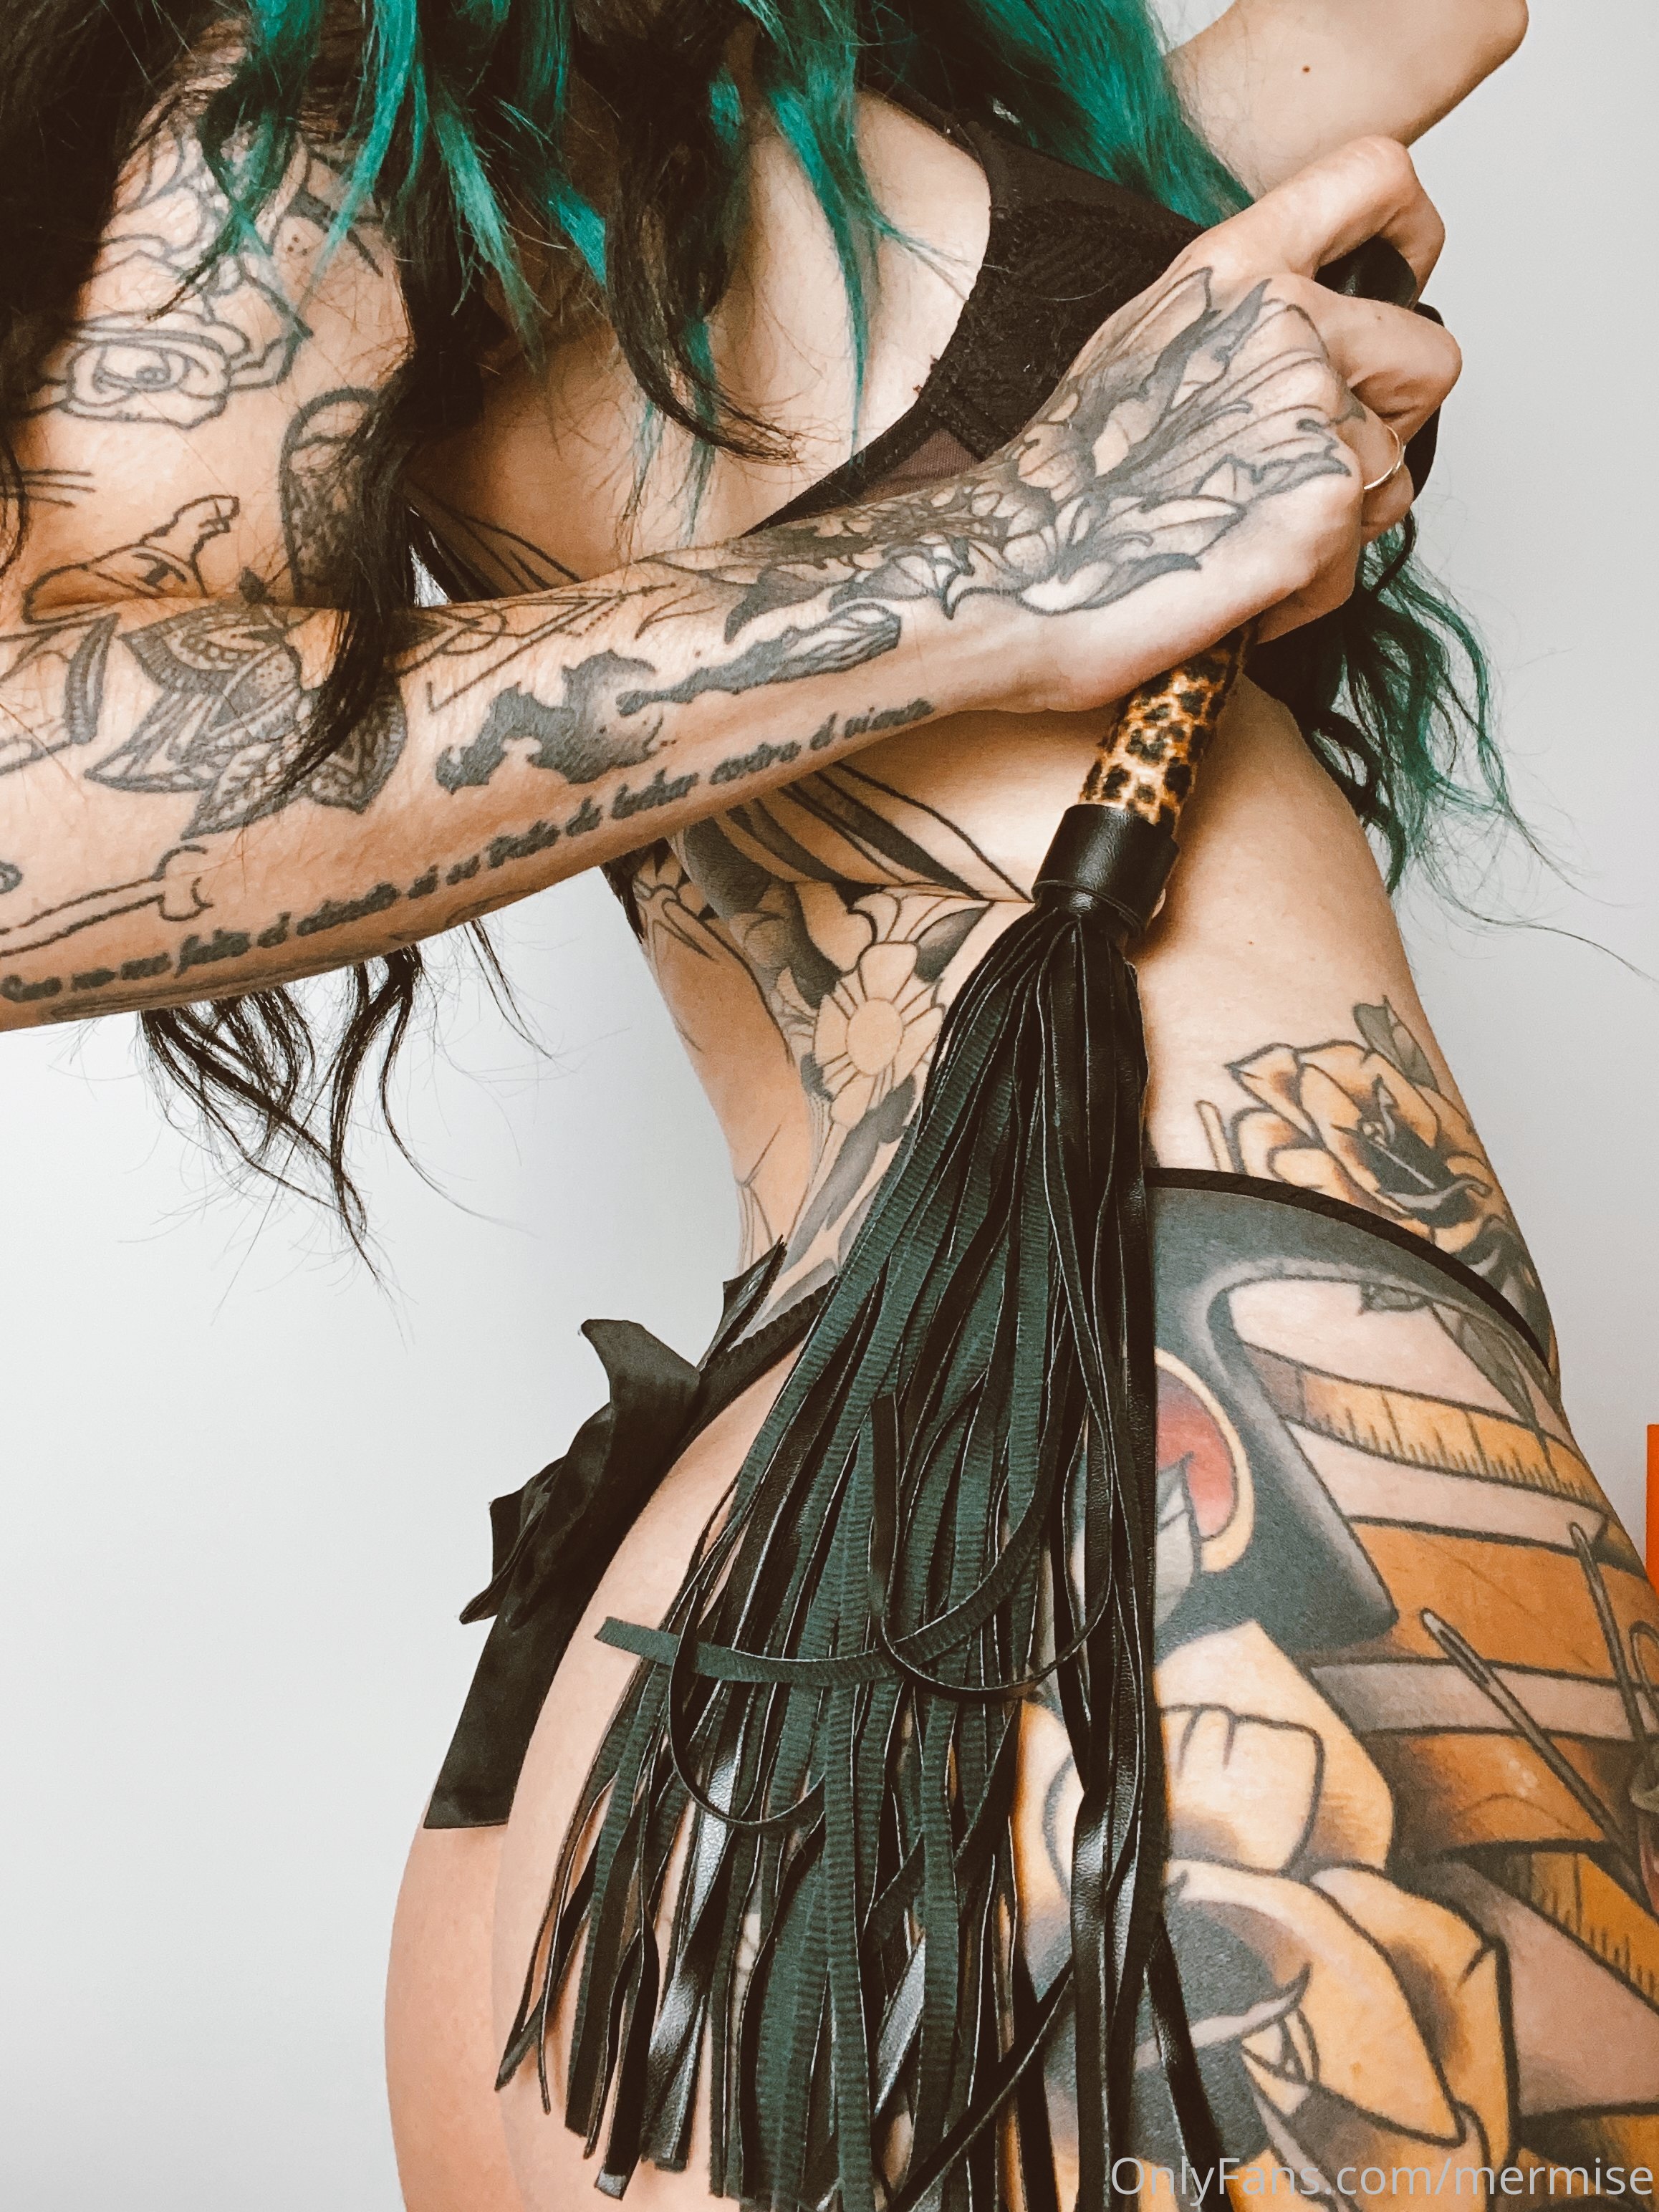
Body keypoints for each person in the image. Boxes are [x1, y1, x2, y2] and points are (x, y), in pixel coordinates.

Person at [7, 2, 1656, 2208]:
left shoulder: (846, 91)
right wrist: (1014, 559)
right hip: (1154, 1491)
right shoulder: (348, 71)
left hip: (844, 1565)